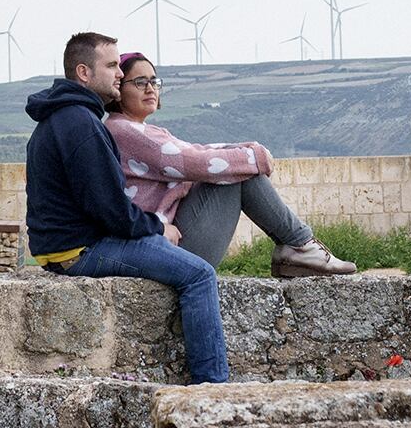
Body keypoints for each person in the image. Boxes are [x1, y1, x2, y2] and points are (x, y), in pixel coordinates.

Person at [24, 29, 232, 382]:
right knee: (199, 275)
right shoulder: (81, 124)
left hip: (60, 248)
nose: (120, 73)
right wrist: (157, 227)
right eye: (111, 66)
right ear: (83, 72)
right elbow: (111, 210)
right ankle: (211, 385)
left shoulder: (62, 117)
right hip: (82, 250)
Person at [107, 54, 357, 275]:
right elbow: (195, 162)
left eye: (154, 81)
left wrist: (245, 150)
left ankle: (299, 246)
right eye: (140, 82)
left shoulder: (142, 130)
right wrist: (255, 158)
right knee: (237, 173)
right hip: (161, 250)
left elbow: (195, 151)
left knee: (236, 167)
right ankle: (300, 245)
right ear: (119, 90)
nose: (150, 88)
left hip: (161, 244)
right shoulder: (124, 131)